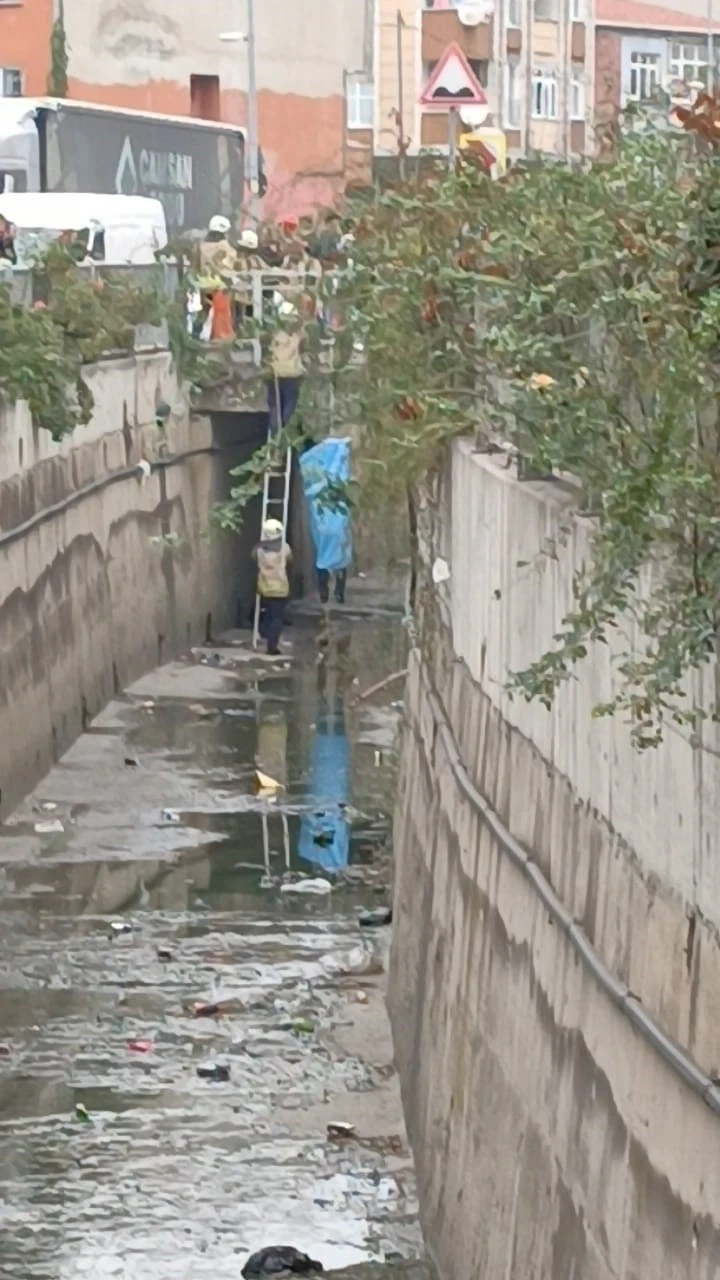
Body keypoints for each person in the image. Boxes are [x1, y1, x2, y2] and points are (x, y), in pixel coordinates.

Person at [252, 518, 292, 655]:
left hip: (264, 587)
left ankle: (264, 633)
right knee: (277, 618)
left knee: (267, 614)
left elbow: (253, 558)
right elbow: (290, 559)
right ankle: (272, 646)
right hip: (280, 588)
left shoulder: (258, 549)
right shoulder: (284, 547)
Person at [267, 302, 305, 432]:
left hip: (293, 377)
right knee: (277, 415)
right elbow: (282, 355)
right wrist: (294, 343)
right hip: (279, 377)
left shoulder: (296, 336)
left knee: (289, 414)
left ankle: (286, 442)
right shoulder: (278, 337)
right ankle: (277, 442)